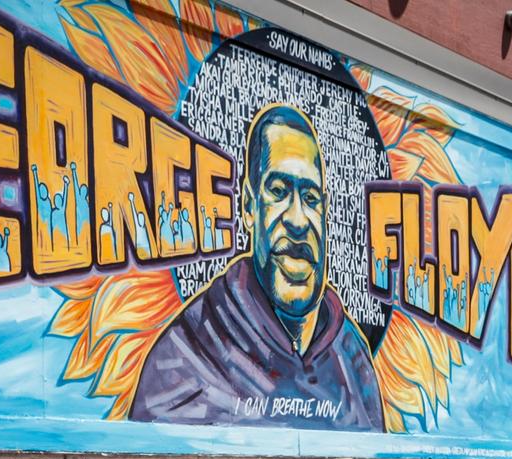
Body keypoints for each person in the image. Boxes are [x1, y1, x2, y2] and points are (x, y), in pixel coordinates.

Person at [130, 104, 383, 432]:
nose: (297, 220)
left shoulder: (352, 358)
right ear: (249, 207)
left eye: (310, 197)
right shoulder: (186, 355)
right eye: (278, 192)